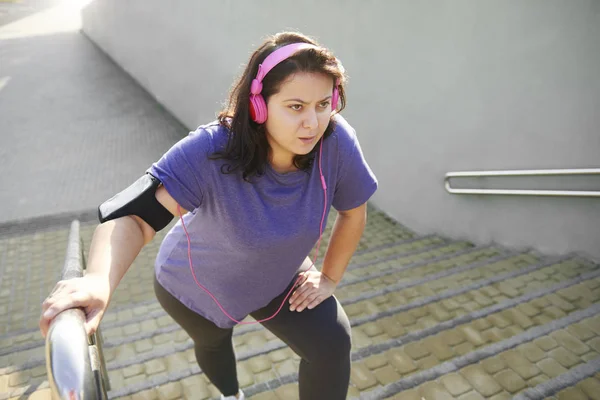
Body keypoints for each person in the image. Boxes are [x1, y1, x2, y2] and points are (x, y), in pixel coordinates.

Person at [40, 31, 378, 400]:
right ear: (259, 107)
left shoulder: (336, 140)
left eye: (323, 104)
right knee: (215, 346)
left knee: (332, 343)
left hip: (278, 275)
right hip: (194, 285)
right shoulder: (211, 149)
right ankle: (230, 395)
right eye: (295, 107)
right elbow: (134, 218)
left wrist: (329, 276)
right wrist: (96, 281)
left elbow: (353, 211)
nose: (312, 123)